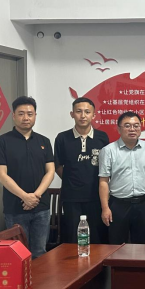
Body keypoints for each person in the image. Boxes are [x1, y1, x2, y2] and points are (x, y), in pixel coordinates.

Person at [0, 96, 55, 259]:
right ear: (13, 116)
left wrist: (35, 196)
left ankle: (40, 278)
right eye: (21, 114)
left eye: (30, 114)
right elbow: (1, 175)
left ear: (35, 116)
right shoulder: (1, 142)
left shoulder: (44, 141)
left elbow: (50, 171)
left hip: (41, 207)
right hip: (15, 207)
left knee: (40, 252)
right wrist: (25, 197)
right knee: (18, 255)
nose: (26, 118)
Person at [54, 97, 109, 244]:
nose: (83, 115)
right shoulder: (62, 138)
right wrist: (72, 180)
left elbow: (106, 167)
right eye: (78, 111)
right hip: (71, 197)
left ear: (94, 115)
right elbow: (58, 166)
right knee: (73, 237)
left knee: (97, 237)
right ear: (72, 114)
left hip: (96, 196)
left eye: (87, 112)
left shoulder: (102, 137)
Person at [98, 112, 145, 245]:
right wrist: (105, 208)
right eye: (127, 126)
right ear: (119, 129)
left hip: (143, 203)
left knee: (143, 244)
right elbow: (103, 181)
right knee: (117, 245)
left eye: (136, 126)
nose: (132, 129)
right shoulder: (108, 150)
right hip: (118, 205)